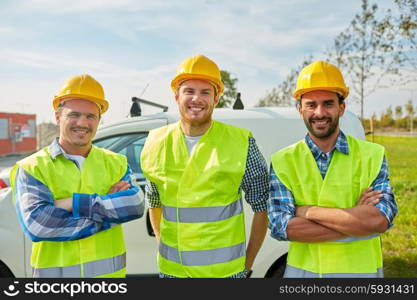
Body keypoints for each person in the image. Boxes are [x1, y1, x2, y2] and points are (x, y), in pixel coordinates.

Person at [140, 55, 269, 278]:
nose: (196, 99)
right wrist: (163, 246)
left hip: (226, 275)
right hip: (173, 275)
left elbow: (263, 206)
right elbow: (154, 200)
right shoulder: (155, 142)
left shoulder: (241, 143)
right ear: (176, 96)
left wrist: (246, 264)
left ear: (216, 98)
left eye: (205, 92)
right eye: (189, 91)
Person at [268, 61, 398, 278]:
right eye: (311, 105)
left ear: (342, 107)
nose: (320, 113)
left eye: (328, 103)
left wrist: (307, 211)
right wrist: (356, 220)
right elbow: (282, 227)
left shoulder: (372, 155)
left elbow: (380, 220)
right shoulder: (283, 161)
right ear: (300, 110)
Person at [10, 74, 144, 278]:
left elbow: (134, 205)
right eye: (74, 114)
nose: (82, 122)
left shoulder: (116, 162)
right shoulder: (32, 167)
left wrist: (71, 204)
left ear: (99, 119)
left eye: (91, 116)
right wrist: (109, 207)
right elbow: (40, 225)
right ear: (58, 116)